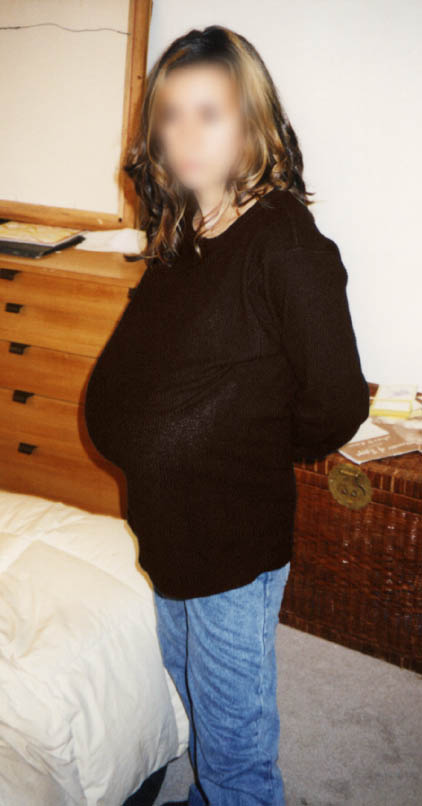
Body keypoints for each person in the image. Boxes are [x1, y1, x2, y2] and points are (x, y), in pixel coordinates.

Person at [84, 25, 369, 806]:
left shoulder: (285, 244)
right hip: (169, 526)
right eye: (170, 115)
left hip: (231, 537)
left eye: (208, 113)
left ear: (253, 122)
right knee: (187, 682)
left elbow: (338, 401)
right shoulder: (187, 234)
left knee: (233, 735)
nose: (184, 135)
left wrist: (250, 446)